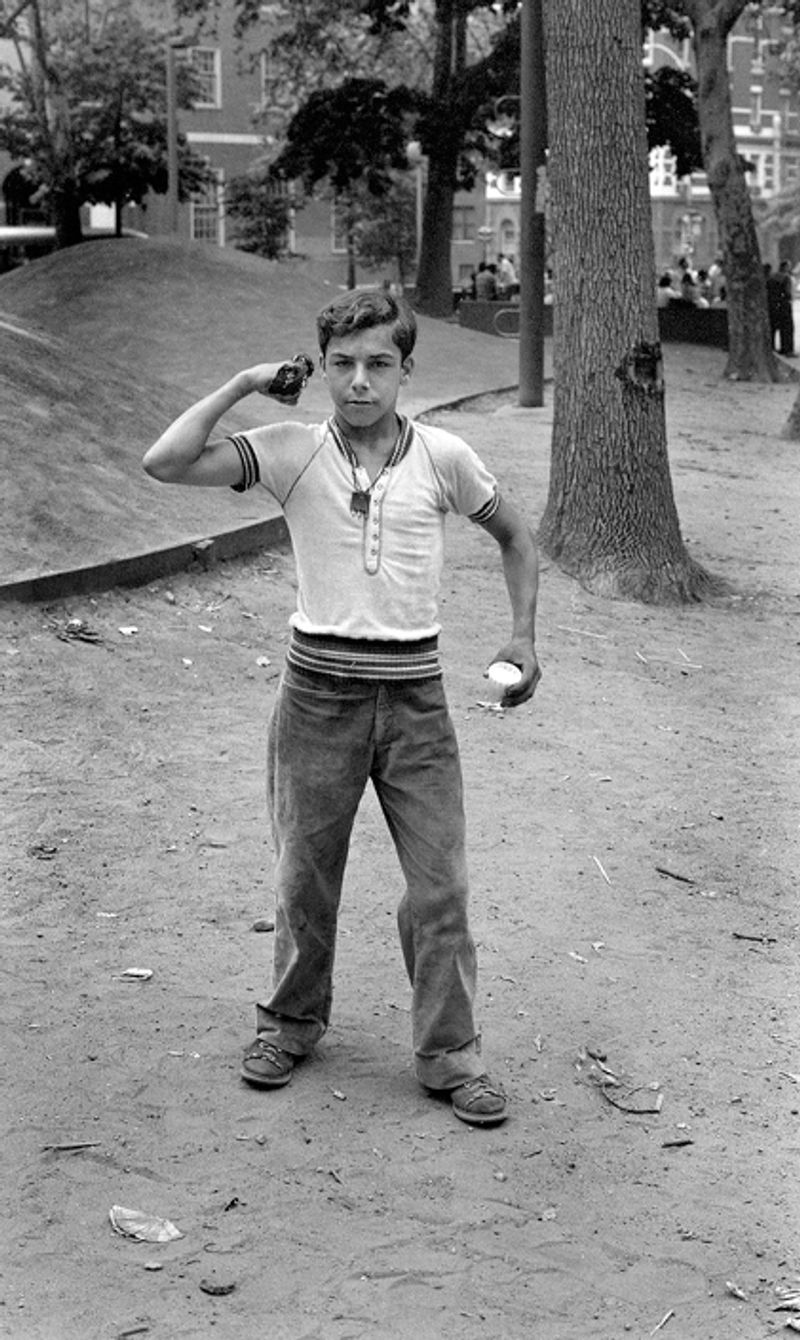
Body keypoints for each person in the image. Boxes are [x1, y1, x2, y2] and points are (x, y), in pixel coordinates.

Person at [142, 288, 541, 1127]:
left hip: (416, 704)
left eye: (379, 366)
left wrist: (522, 639)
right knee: (303, 877)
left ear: (405, 371)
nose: (360, 383)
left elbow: (516, 536)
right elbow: (165, 462)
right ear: (321, 368)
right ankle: (291, 1023)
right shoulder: (289, 451)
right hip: (316, 699)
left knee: (441, 888)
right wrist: (246, 382)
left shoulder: (444, 457)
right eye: (343, 365)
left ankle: (448, 1055)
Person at [778, 260, 796, 356]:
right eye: (788, 266)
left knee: (782, 327)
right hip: (786, 304)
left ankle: (783, 348)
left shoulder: (776, 277)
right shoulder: (786, 278)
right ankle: (789, 349)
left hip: (779, 304)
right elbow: (787, 291)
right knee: (788, 327)